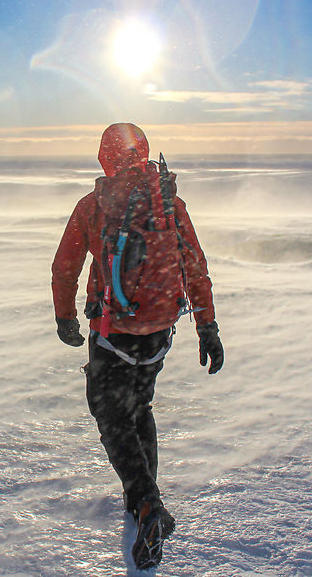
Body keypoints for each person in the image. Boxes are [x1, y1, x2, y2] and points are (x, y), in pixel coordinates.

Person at [50, 122, 224, 570]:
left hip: (112, 331)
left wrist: (65, 316)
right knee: (141, 407)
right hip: (161, 328)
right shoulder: (169, 203)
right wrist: (208, 327)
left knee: (111, 416)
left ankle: (147, 505)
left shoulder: (93, 206)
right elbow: (196, 267)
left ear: (105, 158)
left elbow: (64, 266)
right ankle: (140, 501)